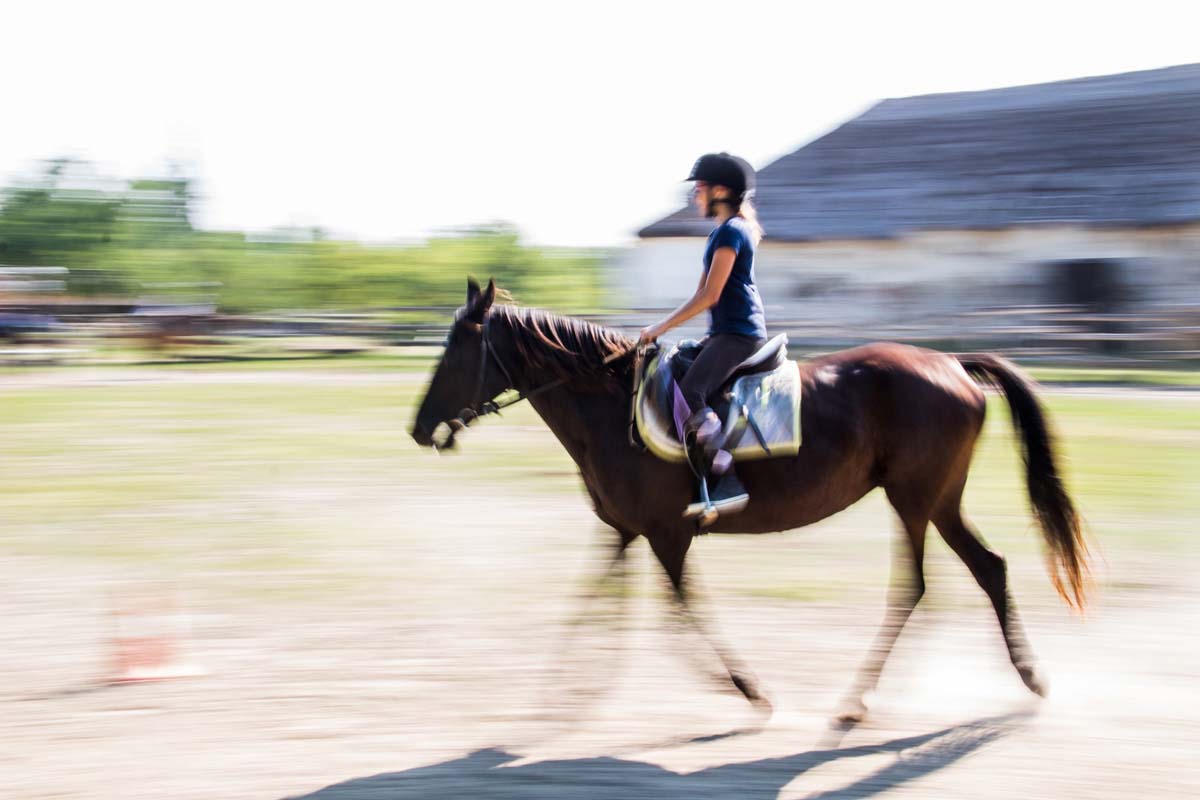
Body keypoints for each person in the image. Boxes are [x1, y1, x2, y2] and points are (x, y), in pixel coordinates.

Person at [638, 152, 767, 525]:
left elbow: (710, 297)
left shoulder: (731, 232)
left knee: (692, 391)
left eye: (699, 189)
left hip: (738, 334)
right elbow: (701, 295)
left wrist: (659, 329)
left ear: (721, 191)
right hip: (724, 332)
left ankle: (726, 482)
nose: (695, 196)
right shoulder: (723, 232)